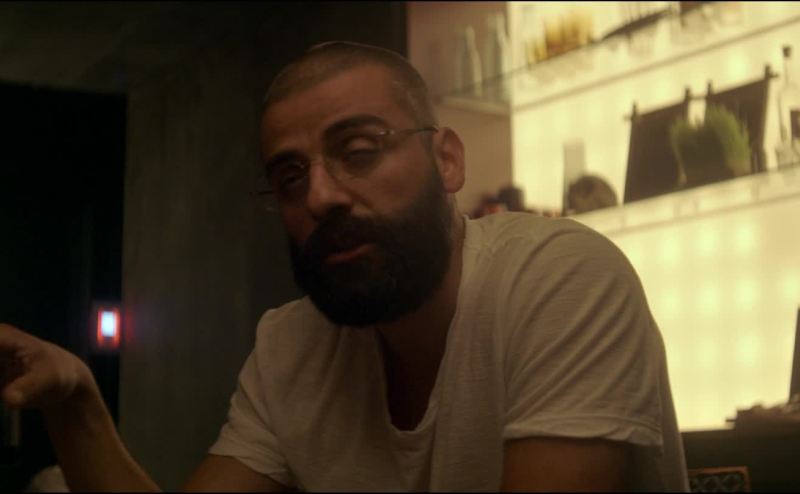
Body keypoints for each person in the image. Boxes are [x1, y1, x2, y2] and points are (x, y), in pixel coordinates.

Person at [0, 41, 689, 491]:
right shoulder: (291, 345)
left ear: (448, 160)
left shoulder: (559, 278)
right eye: (290, 176)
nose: (320, 196)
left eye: (359, 151)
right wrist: (76, 402)